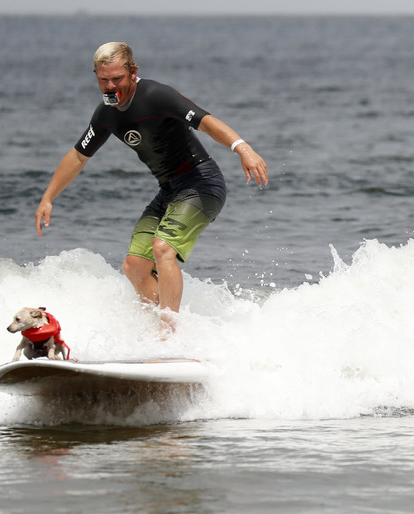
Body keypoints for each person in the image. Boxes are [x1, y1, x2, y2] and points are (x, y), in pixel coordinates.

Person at [35, 42, 268, 335]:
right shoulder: (107, 114)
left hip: (202, 183)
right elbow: (79, 155)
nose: (110, 87)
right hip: (168, 190)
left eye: (117, 79)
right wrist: (48, 197)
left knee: (162, 249)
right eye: (103, 80)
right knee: (134, 266)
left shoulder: (157, 95)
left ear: (133, 72)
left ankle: (169, 333)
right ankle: (159, 327)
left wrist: (242, 148)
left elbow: (205, 121)